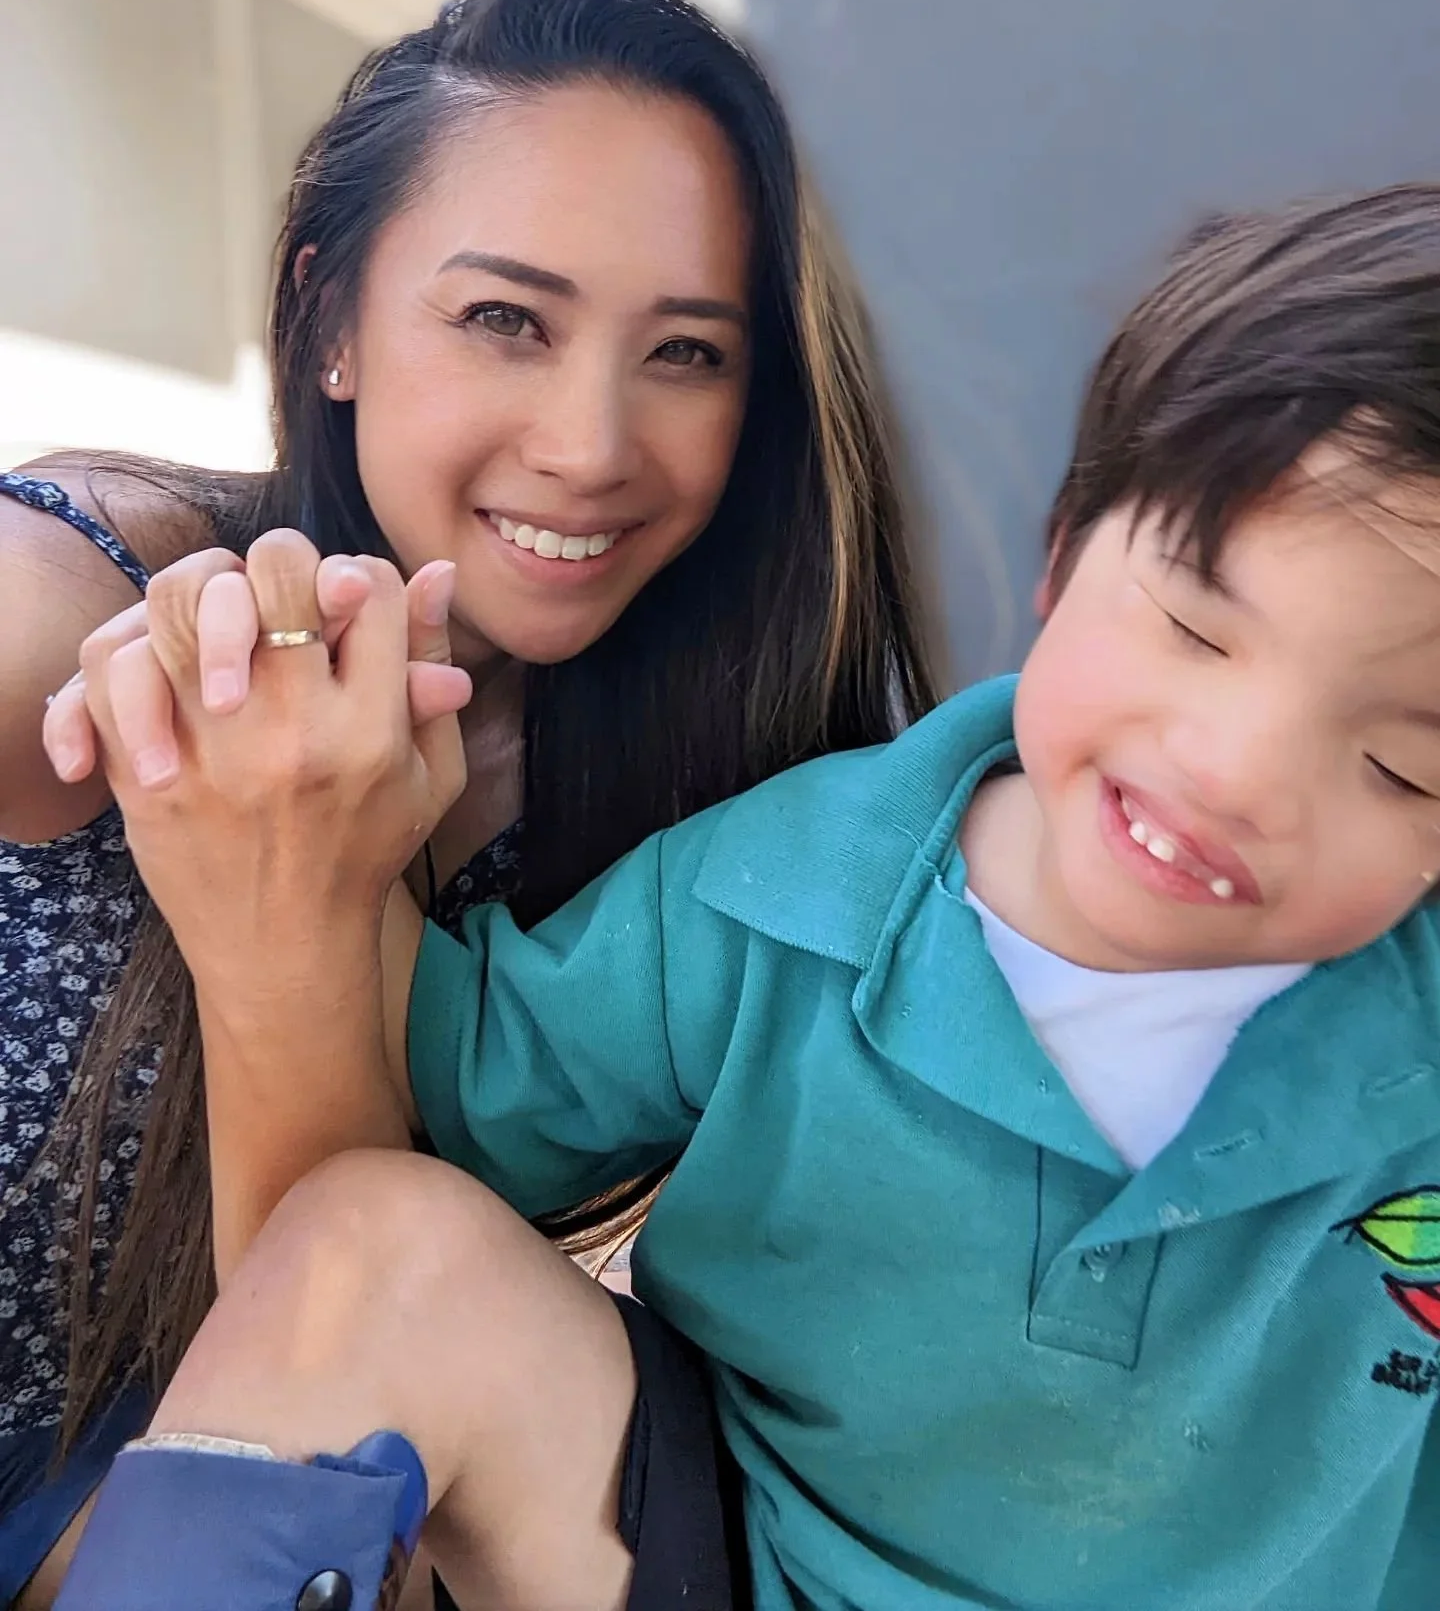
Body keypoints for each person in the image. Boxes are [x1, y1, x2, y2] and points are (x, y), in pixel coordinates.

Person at [57, 183, 1440, 1611]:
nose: (1236, 775)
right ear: (1069, 545)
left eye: (1402, 766)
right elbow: (454, 1070)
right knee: (376, 1247)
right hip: (744, 1574)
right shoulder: (776, 890)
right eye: (1196, 629)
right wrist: (285, 761)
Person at [0, 0, 936, 1606]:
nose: (590, 443)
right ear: (330, 320)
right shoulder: (87, 598)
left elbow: (362, 1337)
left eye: (691, 353)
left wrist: (295, 916)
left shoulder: (730, 789)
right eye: (506, 319)